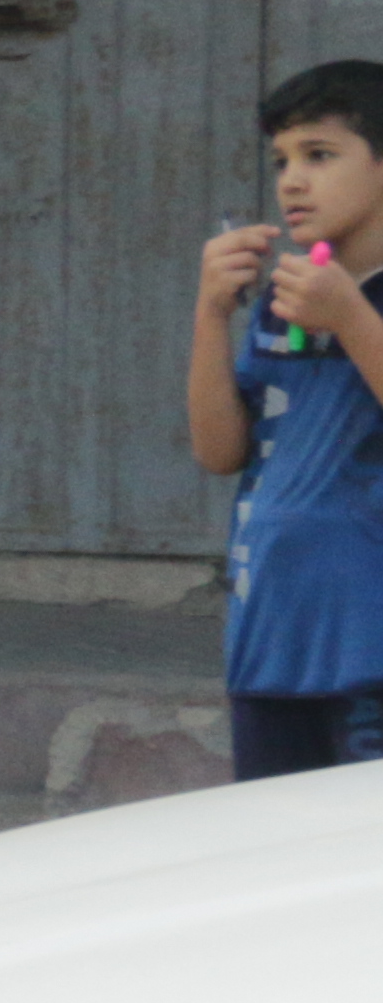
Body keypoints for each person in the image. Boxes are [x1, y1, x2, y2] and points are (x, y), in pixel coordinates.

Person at [184, 58, 383, 773]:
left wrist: (352, 318)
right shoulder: (286, 299)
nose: (292, 180)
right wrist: (211, 313)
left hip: (367, 646)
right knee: (273, 846)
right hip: (271, 631)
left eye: (321, 155)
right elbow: (219, 450)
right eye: (282, 160)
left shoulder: (341, 301)